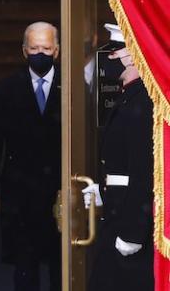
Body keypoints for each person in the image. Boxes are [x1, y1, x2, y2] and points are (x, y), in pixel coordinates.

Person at [0, 21, 61, 291]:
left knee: (63, 266)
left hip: (60, 192)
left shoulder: (72, 88)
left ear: (57, 50)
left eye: (46, 48)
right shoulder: (6, 89)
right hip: (20, 191)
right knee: (25, 269)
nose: (40, 53)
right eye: (34, 47)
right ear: (24, 51)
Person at [82, 24, 154, 291]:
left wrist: (132, 233)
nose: (109, 58)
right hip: (118, 210)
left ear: (133, 56)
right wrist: (103, 189)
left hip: (129, 221)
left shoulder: (143, 102)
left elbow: (144, 171)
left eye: (114, 53)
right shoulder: (131, 96)